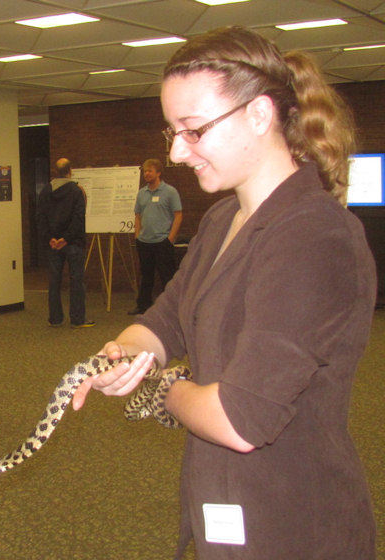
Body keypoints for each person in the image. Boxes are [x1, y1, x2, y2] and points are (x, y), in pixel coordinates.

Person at [73, 26, 376, 559]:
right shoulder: (222, 220)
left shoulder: (312, 235)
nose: (177, 151)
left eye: (193, 130)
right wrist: (121, 355)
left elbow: (240, 420)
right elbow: (164, 321)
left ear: (259, 115)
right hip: (222, 502)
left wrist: (161, 387)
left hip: (291, 521)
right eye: (171, 132)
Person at [36, 157, 93, 328]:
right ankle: (77, 319)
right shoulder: (76, 191)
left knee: (54, 281)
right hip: (73, 243)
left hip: (53, 244)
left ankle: (55, 318)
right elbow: (78, 218)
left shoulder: (46, 191)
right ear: (70, 171)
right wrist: (66, 238)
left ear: (56, 172)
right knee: (76, 281)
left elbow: (40, 217)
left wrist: (50, 238)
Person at [129, 158, 183, 315]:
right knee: (146, 276)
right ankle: (143, 305)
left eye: (150, 171)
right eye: (145, 171)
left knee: (167, 276)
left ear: (158, 173)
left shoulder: (170, 192)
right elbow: (138, 216)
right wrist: (137, 236)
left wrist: (170, 239)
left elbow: (178, 215)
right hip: (144, 242)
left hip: (162, 242)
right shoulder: (142, 193)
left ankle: (171, 308)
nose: (146, 174)